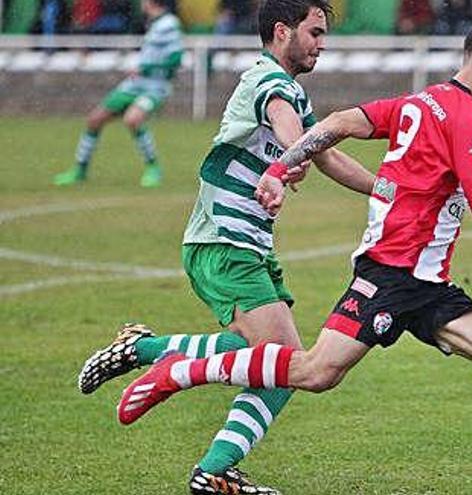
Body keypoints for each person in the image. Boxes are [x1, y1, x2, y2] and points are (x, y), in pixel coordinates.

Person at [115, 15, 472, 495]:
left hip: (426, 282)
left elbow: (338, 122)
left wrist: (281, 166)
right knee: (316, 372)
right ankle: (179, 371)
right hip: (393, 276)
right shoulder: (466, 122)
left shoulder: (420, 102)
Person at [77, 1, 375, 494]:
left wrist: (388, 189)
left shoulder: (290, 91)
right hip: (225, 240)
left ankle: (151, 361)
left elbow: (323, 152)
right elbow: (289, 130)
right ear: (283, 32)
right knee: (286, 363)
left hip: (245, 244)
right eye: (315, 33)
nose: (322, 44)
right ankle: (208, 459)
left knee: (270, 362)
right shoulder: (269, 83)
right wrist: (291, 157)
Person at [54, 0, 182, 187]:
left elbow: (176, 59)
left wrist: (146, 68)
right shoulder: (153, 22)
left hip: (155, 87)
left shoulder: (168, 24)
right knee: (95, 119)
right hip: (134, 85)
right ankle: (79, 170)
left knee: (133, 119)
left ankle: (153, 168)